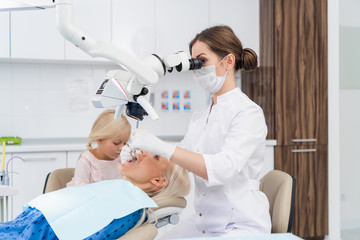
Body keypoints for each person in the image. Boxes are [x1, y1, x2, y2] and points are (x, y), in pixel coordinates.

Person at [129, 25, 271, 238]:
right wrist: (145, 156)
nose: (197, 68)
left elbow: (223, 169)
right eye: (194, 61)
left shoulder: (248, 113)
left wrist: (162, 147)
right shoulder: (200, 115)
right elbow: (178, 164)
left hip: (240, 224)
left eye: (202, 61)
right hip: (204, 221)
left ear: (228, 61)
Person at [0, 150, 190, 240]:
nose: (142, 152)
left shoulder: (128, 210)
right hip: (16, 228)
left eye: (155, 157)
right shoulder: (116, 189)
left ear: (158, 181)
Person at [67, 109, 131, 187]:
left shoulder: (121, 159)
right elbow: (80, 191)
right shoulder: (87, 161)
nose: (122, 148)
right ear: (100, 139)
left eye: (125, 143)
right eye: (116, 143)